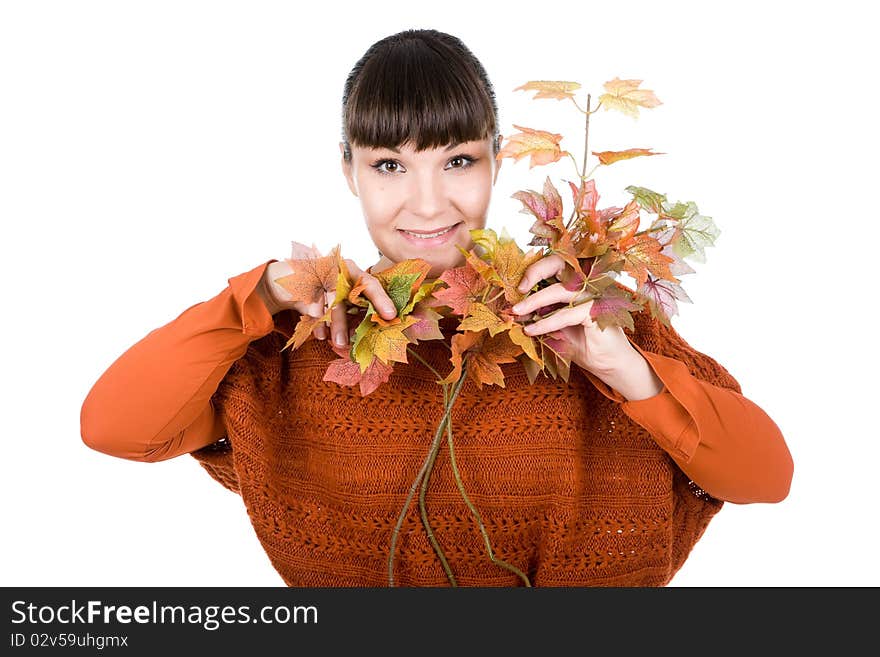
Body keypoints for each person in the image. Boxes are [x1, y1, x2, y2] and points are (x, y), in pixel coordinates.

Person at [80, 28, 794, 587]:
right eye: (390, 165)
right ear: (348, 169)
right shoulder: (293, 347)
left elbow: (766, 477)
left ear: (497, 159)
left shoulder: (576, 310)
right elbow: (114, 426)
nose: (426, 203)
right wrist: (260, 293)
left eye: (457, 161)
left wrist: (624, 366)